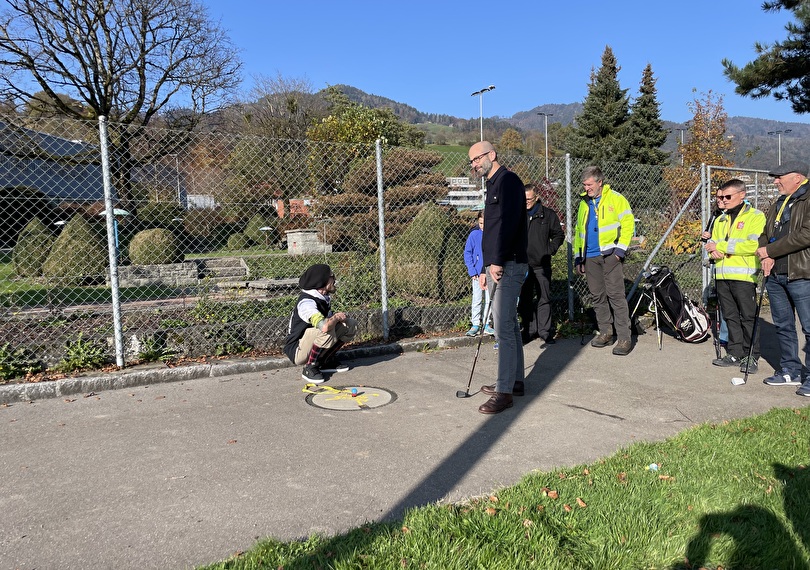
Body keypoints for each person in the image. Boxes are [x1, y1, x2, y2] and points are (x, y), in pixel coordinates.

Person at [468, 140, 528, 414]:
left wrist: (498, 261)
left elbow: (510, 223)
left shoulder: (508, 181)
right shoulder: (491, 184)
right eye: (471, 162)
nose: (474, 164)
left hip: (509, 264)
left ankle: (504, 393)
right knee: (509, 325)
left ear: (491, 155)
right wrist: (484, 267)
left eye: (477, 159)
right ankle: (514, 381)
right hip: (495, 265)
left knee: (502, 327)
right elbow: (491, 231)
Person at [755, 161, 810, 397]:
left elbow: (806, 235)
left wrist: (771, 251)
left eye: (780, 177)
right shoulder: (779, 202)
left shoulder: (807, 199)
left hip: (802, 274)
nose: (776, 181)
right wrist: (765, 253)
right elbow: (766, 234)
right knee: (784, 326)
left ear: (797, 177)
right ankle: (790, 370)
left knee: (809, 328)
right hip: (777, 275)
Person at [704, 179, 765, 373]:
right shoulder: (721, 219)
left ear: (742, 195)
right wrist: (712, 251)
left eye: (728, 196)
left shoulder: (755, 216)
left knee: (748, 317)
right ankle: (735, 352)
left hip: (744, 276)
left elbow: (753, 246)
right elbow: (711, 243)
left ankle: (751, 355)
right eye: (721, 197)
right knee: (730, 316)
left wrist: (720, 247)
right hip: (722, 275)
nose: (723, 200)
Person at [573, 165, 635, 356]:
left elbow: (628, 224)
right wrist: (578, 257)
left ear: (600, 182)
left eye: (590, 184)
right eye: (584, 185)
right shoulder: (584, 203)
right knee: (597, 296)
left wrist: (619, 251)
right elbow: (578, 231)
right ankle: (606, 332)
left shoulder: (616, 199)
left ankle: (624, 338)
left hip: (610, 256)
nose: (587, 188)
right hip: (590, 257)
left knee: (616, 296)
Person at [284, 263, 357, 383]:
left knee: (350, 324)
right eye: (331, 276)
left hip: (311, 342)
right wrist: (336, 317)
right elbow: (324, 326)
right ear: (321, 281)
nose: (334, 279)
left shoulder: (322, 298)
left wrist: (337, 318)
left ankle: (325, 361)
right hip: (298, 350)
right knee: (328, 328)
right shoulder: (306, 302)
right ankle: (310, 367)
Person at [518, 182, 565, 345]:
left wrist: (549, 250)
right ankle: (529, 331)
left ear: (536, 197)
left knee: (544, 298)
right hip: (523, 265)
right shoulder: (518, 214)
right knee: (525, 300)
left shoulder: (548, 215)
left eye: (529, 199)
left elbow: (559, 235)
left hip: (541, 265)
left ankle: (545, 332)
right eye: (523, 199)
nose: (526, 202)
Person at [463, 209, 495, 337]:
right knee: (476, 299)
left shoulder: (493, 234)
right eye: (481, 223)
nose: (483, 227)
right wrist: (472, 270)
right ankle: (475, 324)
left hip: (489, 272)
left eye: (485, 223)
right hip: (476, 274)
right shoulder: (474, 235)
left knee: (489, 300)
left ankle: (487, 323)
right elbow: (468, 253)